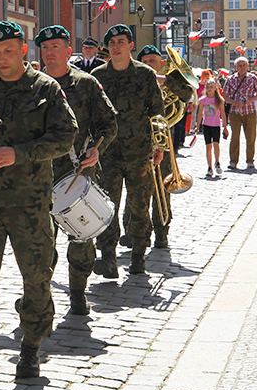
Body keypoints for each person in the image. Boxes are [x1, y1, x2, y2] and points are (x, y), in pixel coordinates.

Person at [0, 22, 76, 388]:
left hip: (29, 202)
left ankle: (30, 348)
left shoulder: (46, 89)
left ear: (23, 51)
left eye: (9, 51)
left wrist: (19, 154)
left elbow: (65, 135)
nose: (2, 59)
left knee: (37, 277)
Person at [37, 25, 117, 315]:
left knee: (81, 237)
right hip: (36, 175)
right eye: (45, 48)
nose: (49, 53)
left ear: (68, 51)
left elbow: (109, 124)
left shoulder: (85, 84)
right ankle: (38, 294)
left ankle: (77, 293)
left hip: (75, 173)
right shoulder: (32, 84)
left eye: (55, 47)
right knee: (39, 242)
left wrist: (97, 150)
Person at [92, 25, 165, 276]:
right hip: (108, 153)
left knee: (139, 206)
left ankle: (138, 256)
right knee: (106, 206)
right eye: (111, 42)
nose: (116, 46)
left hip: (139, 151)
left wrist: (160, 146)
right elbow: (93, 114)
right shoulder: (98, 76)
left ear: (130, 45)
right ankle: (108, 257)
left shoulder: (145, 75)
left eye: (121, 42)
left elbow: (157, 112)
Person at [135, 45, 195, 249]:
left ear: (162, 64)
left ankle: (162, 230)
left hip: (163, 141)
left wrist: (163, 81)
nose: (149, 64)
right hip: (137, 140)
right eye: (145, 61)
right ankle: (134, 231)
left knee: (162, 186)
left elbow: (187, 94)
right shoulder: (134, 79)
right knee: (136, 189)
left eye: (153, 61)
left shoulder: (169, 81)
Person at [223, 56, 257, 170]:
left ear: (247, 66)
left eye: (244, 65)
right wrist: (234, 102)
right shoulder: (230, 79)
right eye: (239, 65)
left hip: (249, 111)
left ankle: (250, 160)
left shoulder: (253, 78)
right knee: (235, 137)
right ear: (236, 67)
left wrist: (251, 100)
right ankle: (233, 161)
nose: (242, 67)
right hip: (235, 112)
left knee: (251, 137)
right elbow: (225, 96)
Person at [194, 79, 228, 177]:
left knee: (216, 144)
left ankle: (217, 162)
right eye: (207, 87)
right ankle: (209, 167)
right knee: (208, 146)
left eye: (211, 87)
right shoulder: (203, 100)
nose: (209, 89)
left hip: (216, 125)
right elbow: (200, 113)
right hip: (206, 125)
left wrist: (225, 127)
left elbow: (223, 114)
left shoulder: (219, 100)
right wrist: (197, 125)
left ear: (215, 88)